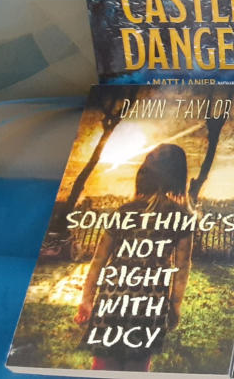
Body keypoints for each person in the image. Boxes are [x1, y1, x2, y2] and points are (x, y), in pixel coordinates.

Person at [74, 144, 194, 371]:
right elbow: (181, 269)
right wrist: (175, 307)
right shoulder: (181, 217)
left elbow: (98, 261)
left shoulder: (125, 212)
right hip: (149, 304)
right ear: (178, 176)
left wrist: (87, 298)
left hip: (112, 299)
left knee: (103, 365)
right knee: (136, 368)